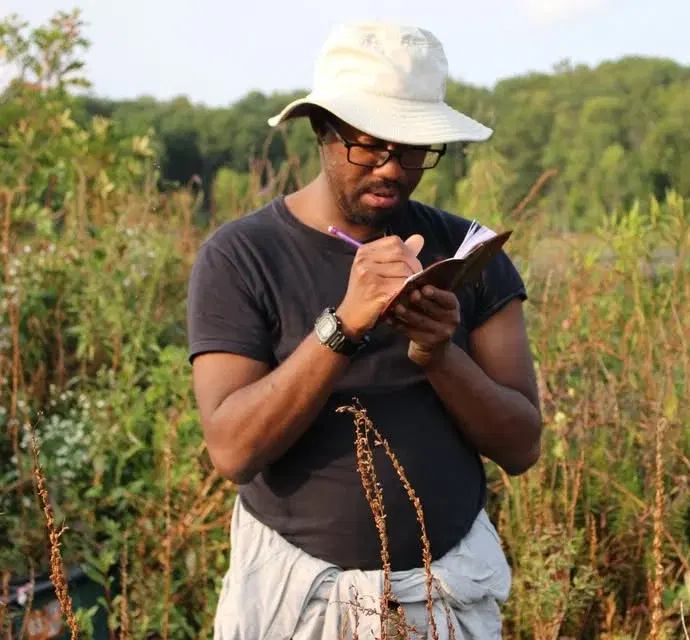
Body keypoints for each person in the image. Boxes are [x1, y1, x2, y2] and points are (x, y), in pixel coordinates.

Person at [186, 20, 543, 640]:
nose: (391, 169)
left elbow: (521, 446)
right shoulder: (242, 255)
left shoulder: (466, 252)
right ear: (322, 132)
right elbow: (233, 451)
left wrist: (437, 355)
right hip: (298, 594)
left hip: (446, 592)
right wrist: (343, 325)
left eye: (412, 150)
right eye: (369, 145)